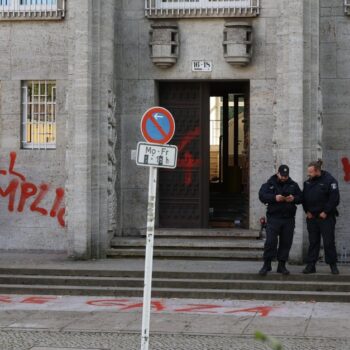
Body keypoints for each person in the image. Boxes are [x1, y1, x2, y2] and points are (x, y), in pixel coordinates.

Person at [258, 165, 302, 276]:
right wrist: (274, 198)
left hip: (288, 219)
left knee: (286, 242)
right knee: (270, 241)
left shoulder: (293, 185)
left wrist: (294, 199)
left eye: (286, 176)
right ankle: (266, 264)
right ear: (278, 173)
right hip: (274, 218)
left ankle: (281, 265)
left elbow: (301, 198)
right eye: (282, 175)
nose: (284, 178)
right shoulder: (269, 184)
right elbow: (262, 196)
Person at [302, 160, 340, 275]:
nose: (308, 174)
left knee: (328, 242)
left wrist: (326, 211)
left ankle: (333, 265)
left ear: (317, 171)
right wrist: (306, 211)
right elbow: (304, 198)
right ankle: (311, 265)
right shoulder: (307, 182)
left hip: (325, 217)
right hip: (312, 217)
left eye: (310, 172)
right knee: (313, 242)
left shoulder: (330, 180)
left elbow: (334, 199)